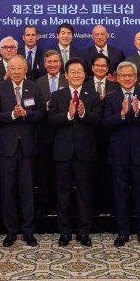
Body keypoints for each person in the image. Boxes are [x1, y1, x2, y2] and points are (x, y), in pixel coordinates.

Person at [0, 54, 47, 247]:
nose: (16, 72)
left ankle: (28, 231)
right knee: (8, 191)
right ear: (8, 70)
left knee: (27, 190)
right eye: (12, 68)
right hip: (6, 149)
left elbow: (42, 113)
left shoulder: (34, 87)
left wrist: (27, 114)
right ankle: (10, 231)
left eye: (19, 68)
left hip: (28, 148)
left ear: (25, 70)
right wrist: (13, 115)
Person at [103, 61, 140, 248]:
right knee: (120, 195)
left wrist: (137, 113)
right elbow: (105, 124)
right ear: (117, 78)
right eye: (123, 75)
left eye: (130, 75)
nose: (127, 78)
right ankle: (123, 232)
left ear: (136, 78)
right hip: (118, 154)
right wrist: (122, 114)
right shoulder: (111, 98)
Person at [49, 57, 102, 246]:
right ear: (66, 75)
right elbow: (51, 120)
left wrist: (83, 114)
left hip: (85, 153)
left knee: (84, 194)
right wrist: (69, 115)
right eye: (73, 72)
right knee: (63, 194)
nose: (76, 74)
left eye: (80, 71)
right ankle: (64, 232)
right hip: (62, 153)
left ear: (85, 74)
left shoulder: (93, 95)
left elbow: (98, 120)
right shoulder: (57, 95)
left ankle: (84, 232)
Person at [34, 49, 67, 213]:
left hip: (64, 132)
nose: (52, 65)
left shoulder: (68, 79)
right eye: (49, 62)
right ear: (44, 64)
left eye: (55, 61)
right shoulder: (37, 82)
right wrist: (47, 105)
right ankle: (45, 204)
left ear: (60, 63)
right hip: (44, 133)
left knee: (63, 172)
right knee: (44, 170)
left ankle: (63, 204)